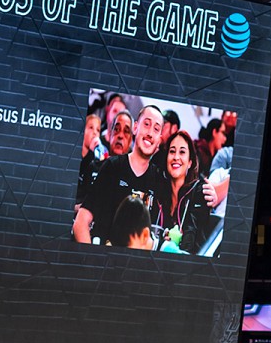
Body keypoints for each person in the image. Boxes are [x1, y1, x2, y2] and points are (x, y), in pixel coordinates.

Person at [74, 105, 167, 246]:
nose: (150, 133)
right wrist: (91, 257)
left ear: (159, 140)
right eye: (146, 124)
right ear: (135, 127)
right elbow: (80, 222)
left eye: (156, 129)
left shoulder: (159, 180)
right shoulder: (112, 167)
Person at [155, 130, 209, 253]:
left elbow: (191, 243)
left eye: (182, 152)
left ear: (190, 162)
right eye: (172, 151)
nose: (176, 157)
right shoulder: (159, 192)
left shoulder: (199, 192)